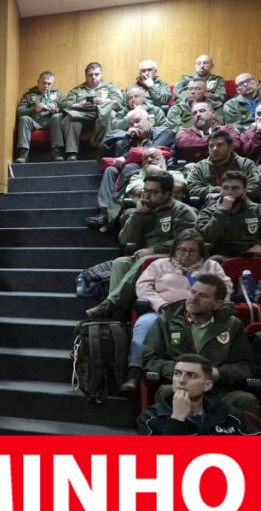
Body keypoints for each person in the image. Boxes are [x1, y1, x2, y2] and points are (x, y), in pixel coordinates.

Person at [125, 232, 231, 393]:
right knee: (144, 323)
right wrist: (161, 305)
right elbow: (143, 287)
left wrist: (211, 306)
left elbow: (225, 289)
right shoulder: (159, 264)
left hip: (202, 313)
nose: (186, 254)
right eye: (182, 249)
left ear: (200, 252)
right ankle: (135, 373)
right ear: (175, 250)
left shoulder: (212, 267)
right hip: (163, 312)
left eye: (192, 250)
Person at [143, 275, 259, 417]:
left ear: (218, 303)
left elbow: (246, 365)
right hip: (180, 387)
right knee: (168, 393)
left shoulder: (232, 325)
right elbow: (149, 358)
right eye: (193, 292)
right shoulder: (166, 321)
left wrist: (218, 373)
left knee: (245, 400)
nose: (194, 298)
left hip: (220, 389)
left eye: (203, 295)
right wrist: (182, 372)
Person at [87, 172, 197, 319]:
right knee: (120, 263)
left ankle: (110, 304)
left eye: (153, 192)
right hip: (147, 256)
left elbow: (185, 242)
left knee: (146, 260)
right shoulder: (142, 210)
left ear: (167, 194)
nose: (146, 195)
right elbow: (124, 239)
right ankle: (118, 316)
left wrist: (153, 249)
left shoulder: (182, 211)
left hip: (174, 258)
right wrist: (138, 214)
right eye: (145, 190)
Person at [89, 108, 177, 227]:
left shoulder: (165, 132)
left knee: (129, 167)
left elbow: (151, 151)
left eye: (137, 121)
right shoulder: (131, 136)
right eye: (131, 124)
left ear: (150, 121)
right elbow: (119, 159)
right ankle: (103, 211)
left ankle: (117, 207)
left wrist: (126, 157)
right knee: (110, 170)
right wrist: (127, 138)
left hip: (153, 167)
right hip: (133, 166)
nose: (134, 126)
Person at [137, 355, 259, 436]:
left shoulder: (230, 415)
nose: (182, 380)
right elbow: (159, 464)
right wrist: (177, 418)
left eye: (191, 375)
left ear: (207, 385)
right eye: (177, 373)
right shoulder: (149, 419)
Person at [61, 62, 123, 160]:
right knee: (70, 117)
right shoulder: (77, 90)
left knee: (110, 114)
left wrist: (105, 101)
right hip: (82, 114)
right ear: (86, 75)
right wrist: (79, 104)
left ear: (101, 74)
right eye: (90, 75)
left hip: (101, 113)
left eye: (96, 74)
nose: (93, 77)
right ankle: (71, 153)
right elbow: (65, 104)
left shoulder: (110, 87)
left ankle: (104, 151)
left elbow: (119, 102)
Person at [196, 171, 261, 257]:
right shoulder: (208, 211)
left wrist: (259, 245)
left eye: (235, 188)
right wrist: (222, 211)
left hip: (251, 255)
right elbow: (206, 237)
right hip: (220, 256)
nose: (229, 192)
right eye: (225, 188)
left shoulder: (257, 210)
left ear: (244, 191)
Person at [185, 130, 259, 202]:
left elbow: (255, 187)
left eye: (219, 145)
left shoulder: (245, 164)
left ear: (230, 147)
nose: (215, 149)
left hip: (241, 207)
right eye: (211, 146)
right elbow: (191, 188)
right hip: (209, 208)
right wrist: (219, 190)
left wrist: (225, 195)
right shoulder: (200, 167)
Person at [15, 71, 64, 162]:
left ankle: (57, 152)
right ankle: (23, 153)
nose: (46, 86)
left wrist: (56, 109)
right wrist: (33, 109)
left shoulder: (58, 95)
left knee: (57, 117)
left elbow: (66, 109)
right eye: (44, 83)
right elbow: (19, 112)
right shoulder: (29, 95)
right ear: (38, 81)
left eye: (49, 84)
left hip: (51, 122)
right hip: (34, 122)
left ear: (52, 84)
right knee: (24, 118)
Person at [174, 103, 242, 164]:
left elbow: (235, 144)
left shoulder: (227, 129)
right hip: (196, 170)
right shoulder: (185, 133)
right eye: (195, 113)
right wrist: (220, 143)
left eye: (202, 111)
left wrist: (198, 145)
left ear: (212, 113)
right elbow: (183, 145)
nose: (198, 115)